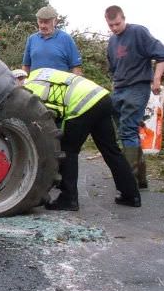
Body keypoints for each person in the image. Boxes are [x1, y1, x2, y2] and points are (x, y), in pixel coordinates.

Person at [23, 68, 140, 210]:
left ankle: (68, 199)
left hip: (83, 104)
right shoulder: (39, 72)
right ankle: (131, 195)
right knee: (111, 149)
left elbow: (45, 121)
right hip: (101, 97)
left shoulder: (29, 91)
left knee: (68, 150)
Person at [104, 5, 164, 189]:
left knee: (127, 131)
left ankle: (130, 183)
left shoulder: (138, 32)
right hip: (119, 89)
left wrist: (156, 78)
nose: (115, 28)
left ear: (124, 18)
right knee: (126, 132)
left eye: (117, 24)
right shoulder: (111, 42)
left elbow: (163, 55)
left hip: (138, 87)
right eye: (111, 25)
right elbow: (113, 69)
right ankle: (140, 180)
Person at [22, 6, 82, 75]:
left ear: (55, 21)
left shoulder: (66, 39)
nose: (42, 26)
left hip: (58, 85)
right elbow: (26, 66)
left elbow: (76, 67)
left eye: (46, 22)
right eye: (40, 22)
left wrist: (73, 84)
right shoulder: (32, 39)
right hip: (34, 84)